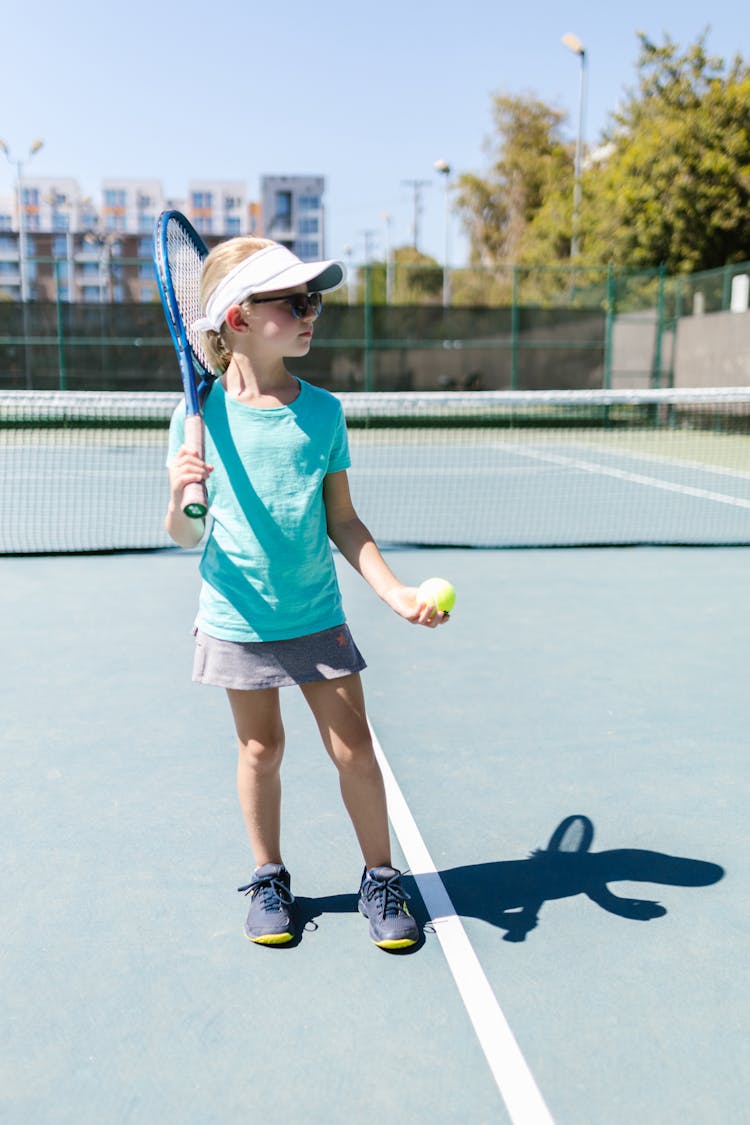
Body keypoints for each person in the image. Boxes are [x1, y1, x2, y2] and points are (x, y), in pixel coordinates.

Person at [165, 236, 449, 950]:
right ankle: (268, 876)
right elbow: (184, 535)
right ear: (235, 319)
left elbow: (343, 519)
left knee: (355, 747)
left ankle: (380, 874)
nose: (310, 312)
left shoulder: (323, 413)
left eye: (313, 299)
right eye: (292, 302)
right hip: (235, 618)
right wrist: (181, 497)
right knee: (260, 748)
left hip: (317, 616)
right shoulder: (197, 418)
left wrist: (392, 592)